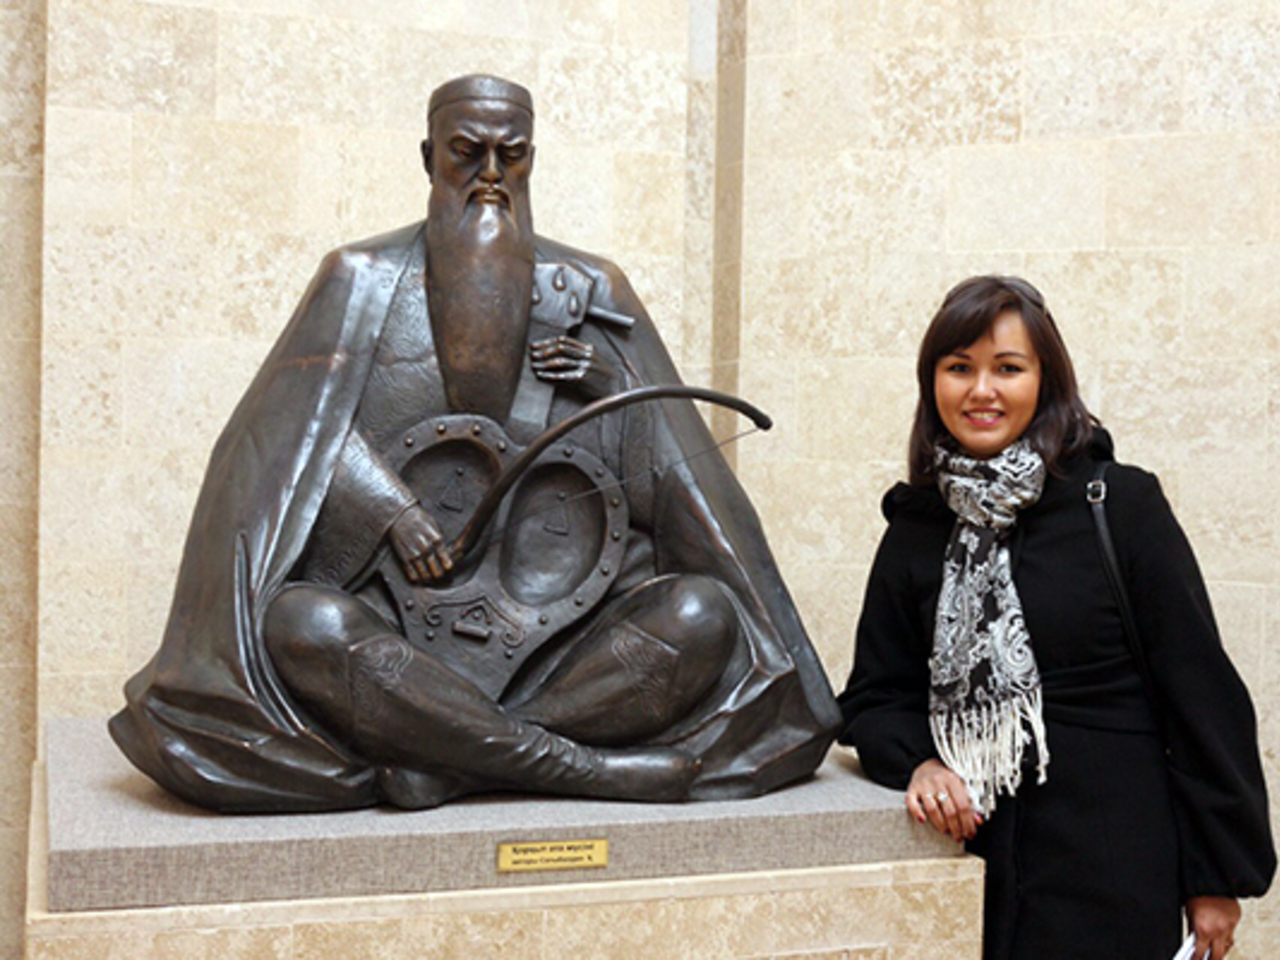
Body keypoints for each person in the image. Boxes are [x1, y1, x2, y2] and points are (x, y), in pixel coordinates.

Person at [109, 74, 839, 813]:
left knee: (701, 614)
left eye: (510, 155)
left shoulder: (596, 289)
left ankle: (457, 758)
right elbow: (281, 444)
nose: (490, 174)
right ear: (430, 157)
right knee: (302, 624)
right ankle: (581, 768)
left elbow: (679, 495)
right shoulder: (358, 279)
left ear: (531, 161)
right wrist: (391, 509)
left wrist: (614, 388)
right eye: (468, 152)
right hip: (397, 631)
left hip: (560, 651)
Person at [837, 276, 1274, 960]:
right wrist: (917, 761)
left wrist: (1215, 879)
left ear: (1046, 381)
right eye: (959, 368)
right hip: (972, 878)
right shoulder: (918, 526)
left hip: (1114, 869)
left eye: (1008, 368)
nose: (982, 390)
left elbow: (1201, 697)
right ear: (933, 384)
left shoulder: (1119, 505)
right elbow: (873, 695)